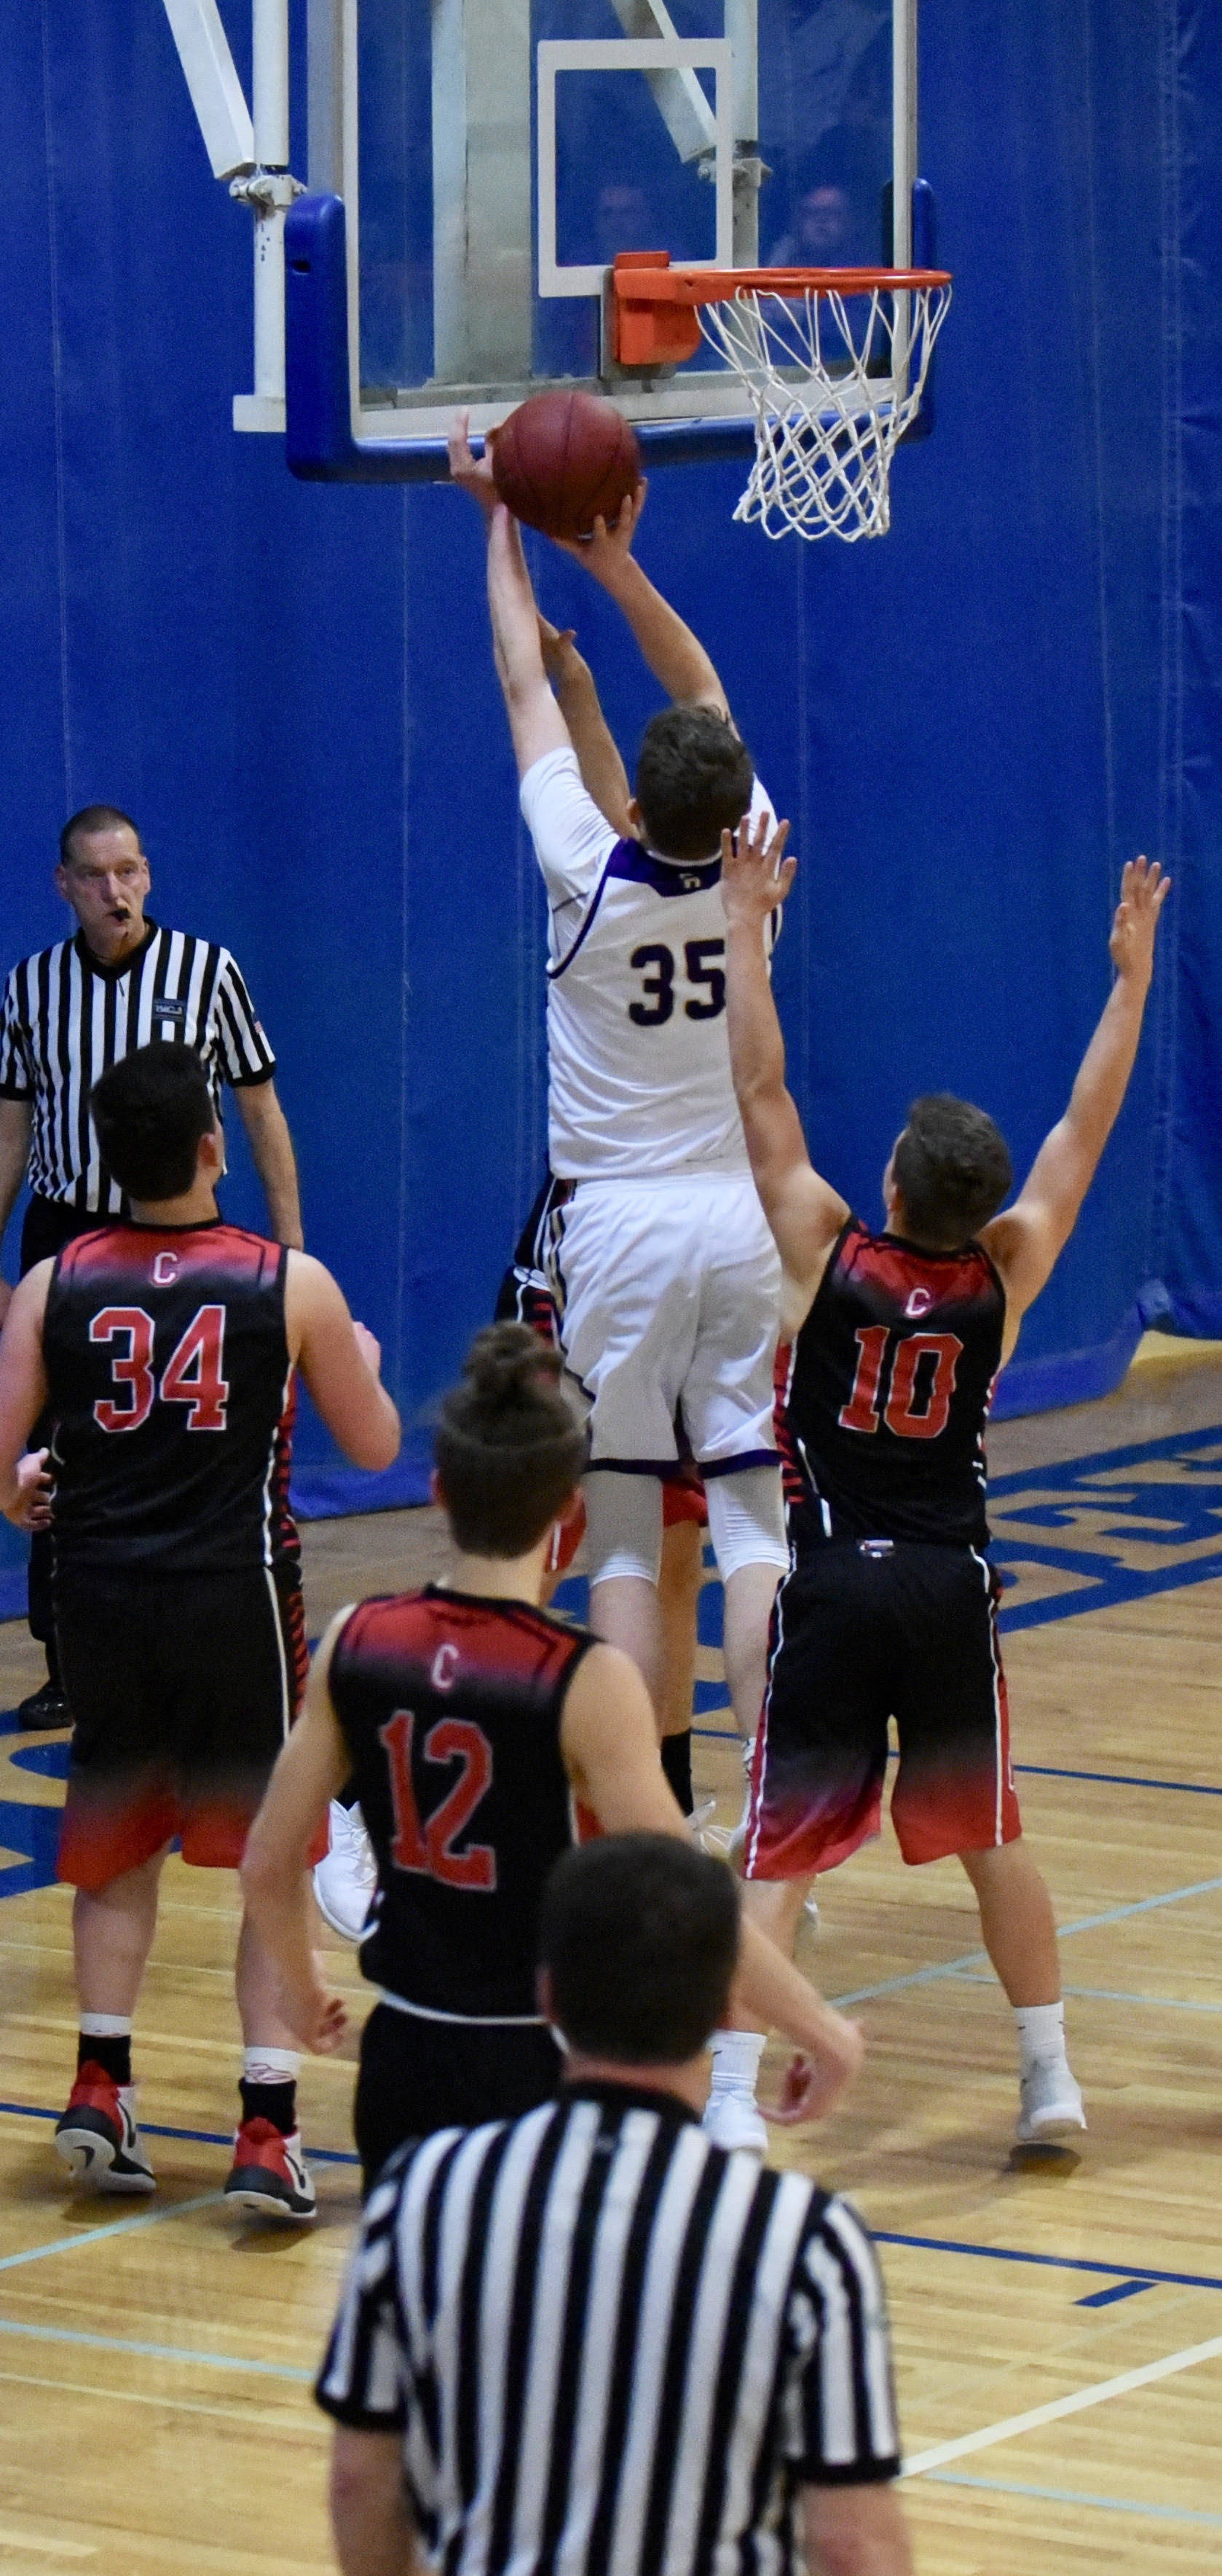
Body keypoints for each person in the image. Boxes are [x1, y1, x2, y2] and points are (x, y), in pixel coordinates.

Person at [316, 1832, 949, 2576]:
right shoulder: (800, 2237)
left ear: (549, 1995)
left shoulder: (428, 2191)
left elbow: (362, 2485)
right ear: (721, 2011)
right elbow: (847, 2539)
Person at [718, 814, 1171, 2143]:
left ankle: (734, 2107)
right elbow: (1080, 1133)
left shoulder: (824, 1256)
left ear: (891, 1184)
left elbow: (758, 1097)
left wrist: (747, 927)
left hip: (834, 1582)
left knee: (782, 1849)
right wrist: (1130, 979)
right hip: (946, 1585)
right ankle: (1049, 2082)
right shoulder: (1001, 1278)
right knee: (988, 1841)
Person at [243, 1322, 862, 2185]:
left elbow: (270, 1859)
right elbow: (684, 1900)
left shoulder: (359, 1640)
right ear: (568, 1510)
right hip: (529, 2064)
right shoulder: (582, 1680)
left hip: (402, 2057)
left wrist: (301, 1988)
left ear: (438, 1491)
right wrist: (821, 2027)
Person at [0, 1043, 400, 2219]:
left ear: (104, 1162)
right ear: (213, 1146)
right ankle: (268, 2128)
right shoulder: (288, 1282)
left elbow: (6, 1470)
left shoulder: (50, 1282)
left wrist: (27, 1481)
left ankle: (100, 2079)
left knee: (116, 1847)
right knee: (270, 1857)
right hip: (234, 1601)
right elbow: (377, 1447)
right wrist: (362, 1359)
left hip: (102, 1602)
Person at [447, 433, 789, 1789]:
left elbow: (519, 677)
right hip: (740, 1215)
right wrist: (619, 562)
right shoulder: (755, 862)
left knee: (630, 1537)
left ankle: (633, 1805)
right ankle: (769, 1811)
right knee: (755, 1524)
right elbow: (696, 686)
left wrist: (497, 518)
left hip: (618, 1228)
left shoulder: (585, 874)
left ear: (631, 803)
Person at [0, 804, 304, 1727]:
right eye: (95, 875)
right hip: (66, 1232)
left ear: (150, 874)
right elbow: (12, 1130)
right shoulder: (31, 986)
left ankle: (204, 1639)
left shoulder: (208, 973)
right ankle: (68, 1654)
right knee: (61, 1446)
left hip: (180, 1232)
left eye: (129, 870)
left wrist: (290, 1252)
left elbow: (261, 1112)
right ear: (63, 885)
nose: (115, 890)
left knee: (182, 1434)